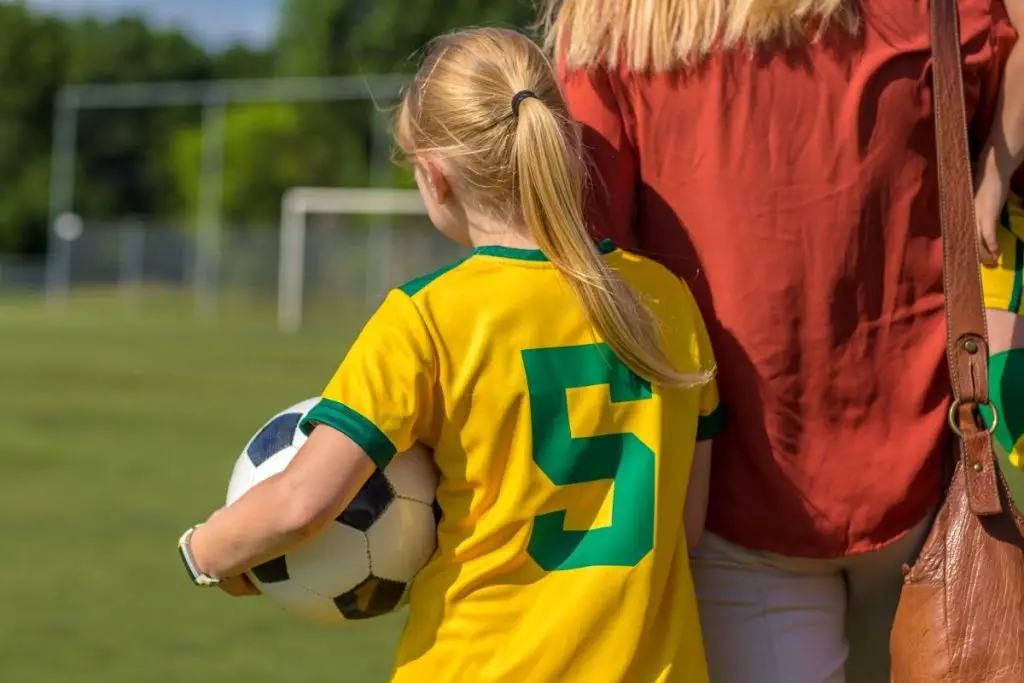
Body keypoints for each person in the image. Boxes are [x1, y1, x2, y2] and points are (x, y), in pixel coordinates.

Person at [177, 27, 723, 683]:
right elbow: (686, 527)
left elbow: (301, 503)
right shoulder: (666, 299)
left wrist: (205, 550)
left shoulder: (426, 319)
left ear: (435, 178)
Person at [542, 1, 1020, 681]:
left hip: (730, 493)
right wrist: (993, 184)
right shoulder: (929, 11)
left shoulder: (618, 24)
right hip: (929, 475)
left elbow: (590, 263)